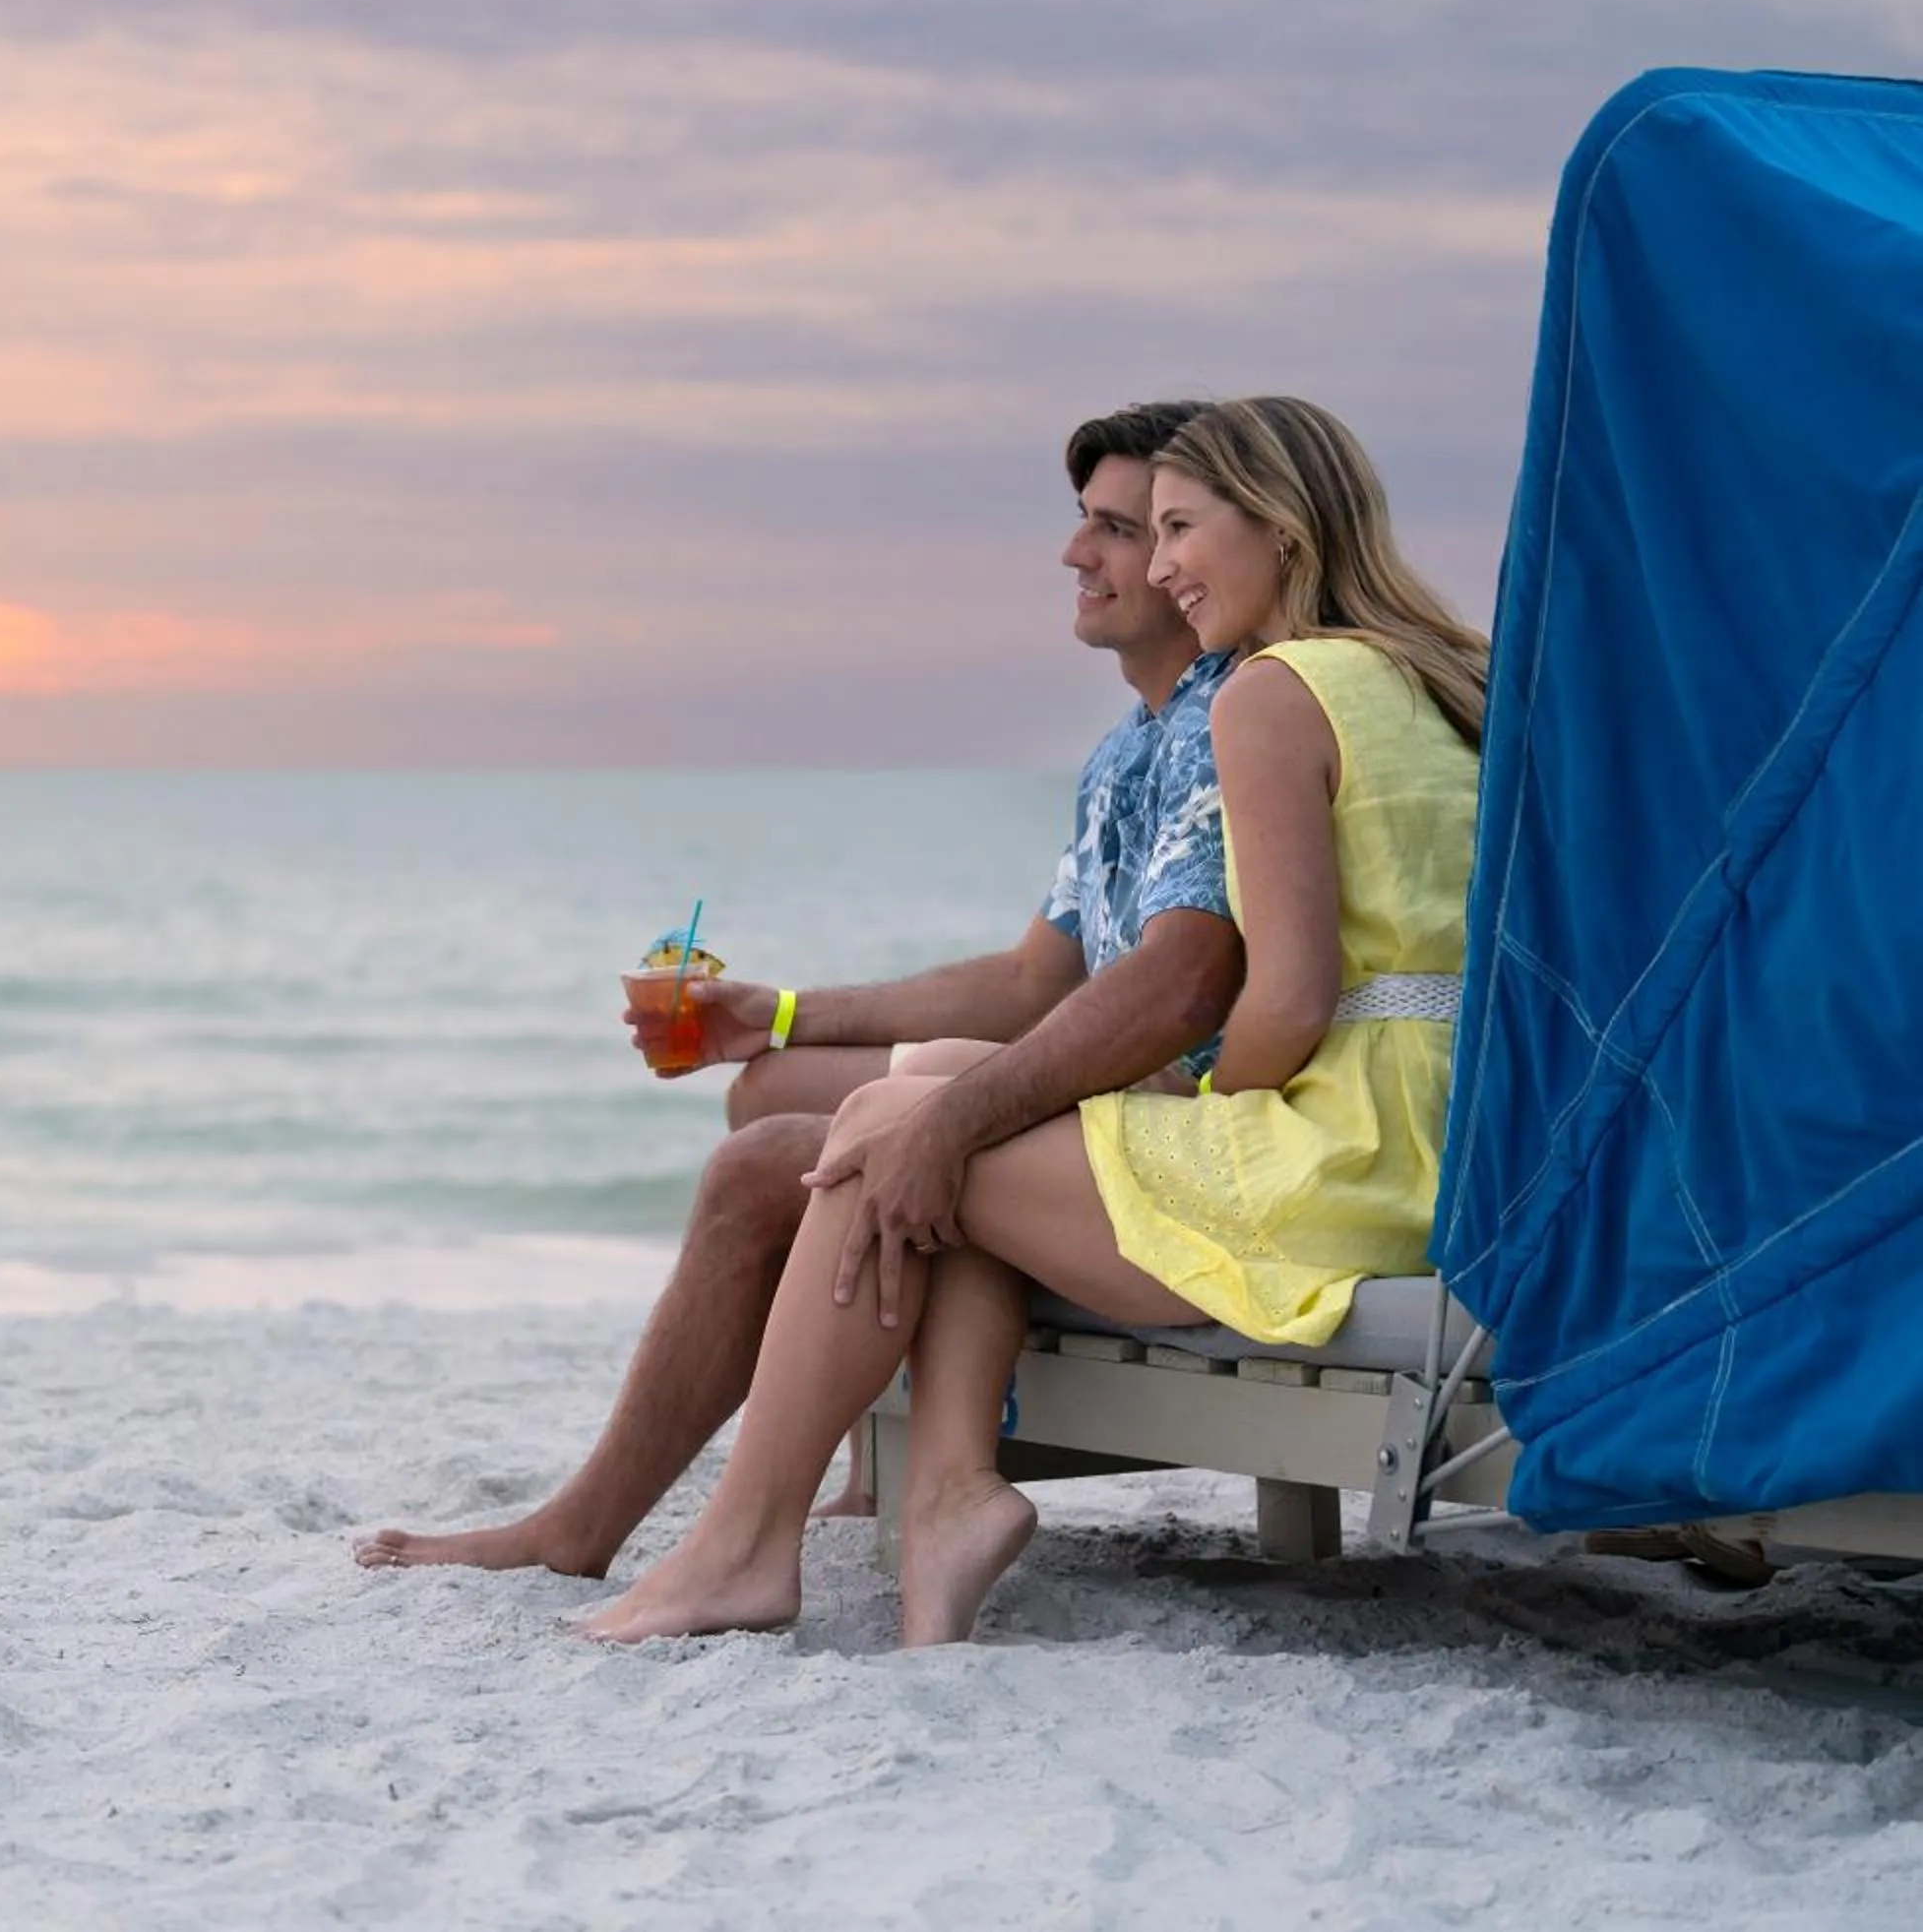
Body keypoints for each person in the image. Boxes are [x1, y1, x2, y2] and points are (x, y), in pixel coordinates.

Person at [575, 396, 1491, 1647]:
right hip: (1441, 1140)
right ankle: (943, 1489)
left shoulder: (1272, 693)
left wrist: (1201, 1101)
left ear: (1277, 527)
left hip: (1338, 1168)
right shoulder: (1428, 679)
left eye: (1172, 528)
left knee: (888, 1131)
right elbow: (1045, 985)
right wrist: (786, 1015)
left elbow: (1281, 997)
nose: (1156, 563)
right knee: (929, 1097)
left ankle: (747, 1545)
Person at [354, 400, 1245, 1581]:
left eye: (1125, 529)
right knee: (773, 1087)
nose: (1078, 554)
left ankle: (597, 1528)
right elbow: (1037, 979)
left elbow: (1180, 990)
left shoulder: (1234, 719)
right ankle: (877, 1461)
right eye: (1087, 522)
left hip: (1172, 1137)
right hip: (1095, 1102)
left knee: (777, 1159)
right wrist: (771, 1014)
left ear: (1196, 559)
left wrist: (959, 1110)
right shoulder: (1130, 748)